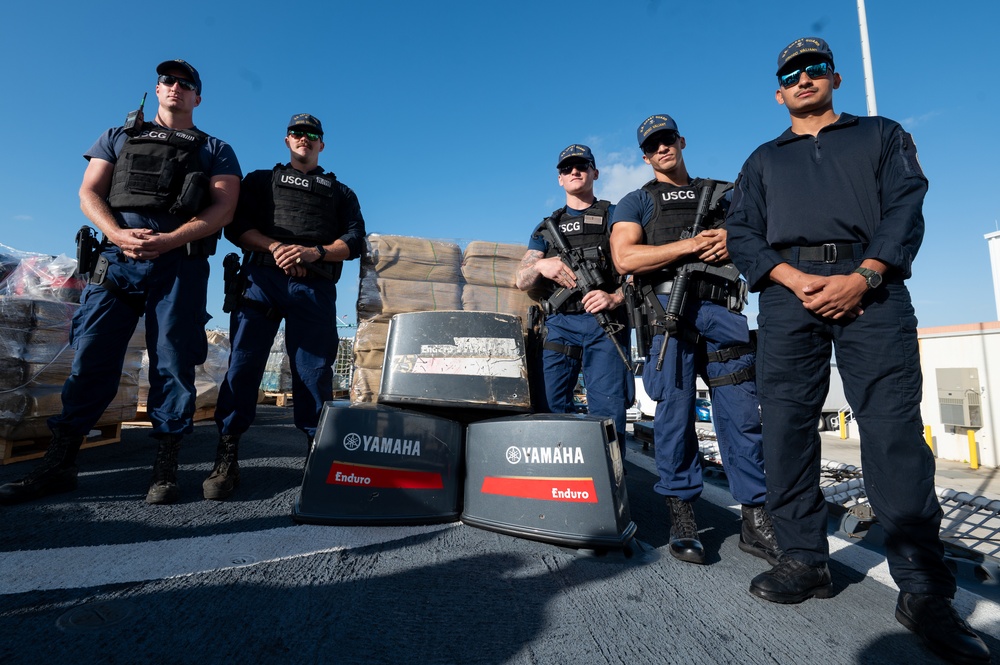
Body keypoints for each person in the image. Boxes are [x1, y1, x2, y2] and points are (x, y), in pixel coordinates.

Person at [726, 37, 989, 663]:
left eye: (814, 68)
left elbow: (906, 206)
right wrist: (789, 279)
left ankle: (924, 590)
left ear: (834, 77)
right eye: (791, 73)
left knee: (893, 432)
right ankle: (803, 559)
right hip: (790, 297)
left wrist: (865, 275)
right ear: (778, 90)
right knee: (788, 428)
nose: (803, 79)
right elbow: (741, 232)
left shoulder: (881, 135)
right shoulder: (763, 160)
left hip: (872, 289)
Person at [0, 59, 241, 506]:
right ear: (157, 87)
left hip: (178, 264)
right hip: (116, 262)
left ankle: (165, 468)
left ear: (197, 97)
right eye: (168, 80)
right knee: (91, 357)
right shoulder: (119, 135)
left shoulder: (216, 148)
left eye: (186, 83)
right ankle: (60, 463)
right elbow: (88, 191)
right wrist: (115, 234)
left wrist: (170, 239)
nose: (175, 87)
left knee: (173, 363)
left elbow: (223, 210)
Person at [609, 115, 778, 566]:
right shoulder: (636, 201)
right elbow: (625, 257)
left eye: (668, 139)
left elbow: (763, 231)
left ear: (681, 141)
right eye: (653, 145)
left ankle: (755, 519)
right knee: (674, 416)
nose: (662, 148)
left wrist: (731, 237)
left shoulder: (724, 193)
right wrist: (688, 246)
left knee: (743, 415)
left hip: (722, 312)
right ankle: (682, 512)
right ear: (645, 155)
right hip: (668, 316)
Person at [207, 114, 366, 500]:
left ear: (321, 145)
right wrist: (276, 247)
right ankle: (227, 455)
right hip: (261, 282)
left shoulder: (341, 192)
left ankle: (318, 454)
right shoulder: (261, 180)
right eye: (297, 133)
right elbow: (237, 227)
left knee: (314, 374)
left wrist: (314, 252)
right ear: (287, 139)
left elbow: (355, 240)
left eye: (312, 135)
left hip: (313, 287)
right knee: (243, 366)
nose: (304, 139)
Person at [515, 145, 632, 455]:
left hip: (605, 324)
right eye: (567, 168)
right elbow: (520, 279)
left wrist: (614, 297)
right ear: (560, 179)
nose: (575, 172)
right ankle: (556, 479)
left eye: (582, 166)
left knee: (608, 413)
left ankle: (611, 483)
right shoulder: (546, 228)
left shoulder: (617, 216)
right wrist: (542, 265)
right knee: (549, 408)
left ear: (595, 172)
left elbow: (636, 271)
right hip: (560, 323)